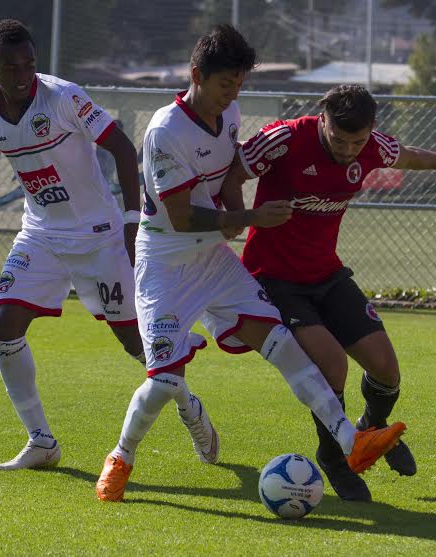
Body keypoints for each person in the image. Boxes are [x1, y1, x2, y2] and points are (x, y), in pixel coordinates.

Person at [95, 26, 406, 502]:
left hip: (214, 262)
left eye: (239, 85)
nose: (232, 95)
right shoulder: (164, 131)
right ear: (197, 75)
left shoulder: (231, 114)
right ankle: (121, 456)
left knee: (285, 347)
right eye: (225, 85)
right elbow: (180, 218)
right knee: (164, 383)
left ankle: (352, 441)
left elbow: (228, 178)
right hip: (165, 265)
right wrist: (249, 217)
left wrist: (237, 210)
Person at [0, 19, 161, 471]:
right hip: (41, 236)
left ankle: (188, 405)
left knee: (134, 343)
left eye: (30, 64)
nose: (24, 74)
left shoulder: (64, 96)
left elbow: (124, 150)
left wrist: (130, 224)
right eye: (12, 67)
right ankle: (41, 441)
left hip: (100, 236)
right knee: (3, 327)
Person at [220, 84, 436, 501]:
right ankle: (336, 457)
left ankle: (370, 430)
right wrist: (240, 217)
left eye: (358, 141)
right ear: (323, 121)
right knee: (333, 364)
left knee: (387, 369)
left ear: (370, 130)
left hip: (327, 275)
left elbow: (407, 155)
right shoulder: (285, 138)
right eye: (339, 140)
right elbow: (234, 171)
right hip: (274, 278)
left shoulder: (372, 146)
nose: (349, 150)